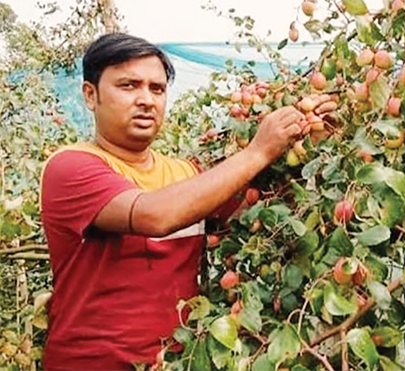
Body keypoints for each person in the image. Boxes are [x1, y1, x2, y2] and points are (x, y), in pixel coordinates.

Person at [40, 33, 335, 370]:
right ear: (90, 95)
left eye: (157, 89)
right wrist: (258, 151)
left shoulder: (185, 174)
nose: (146, 100)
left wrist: (314, 148)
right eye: (128, 86)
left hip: (177, 362)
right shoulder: (70, 167)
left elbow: (266, 215)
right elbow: (155, 216)